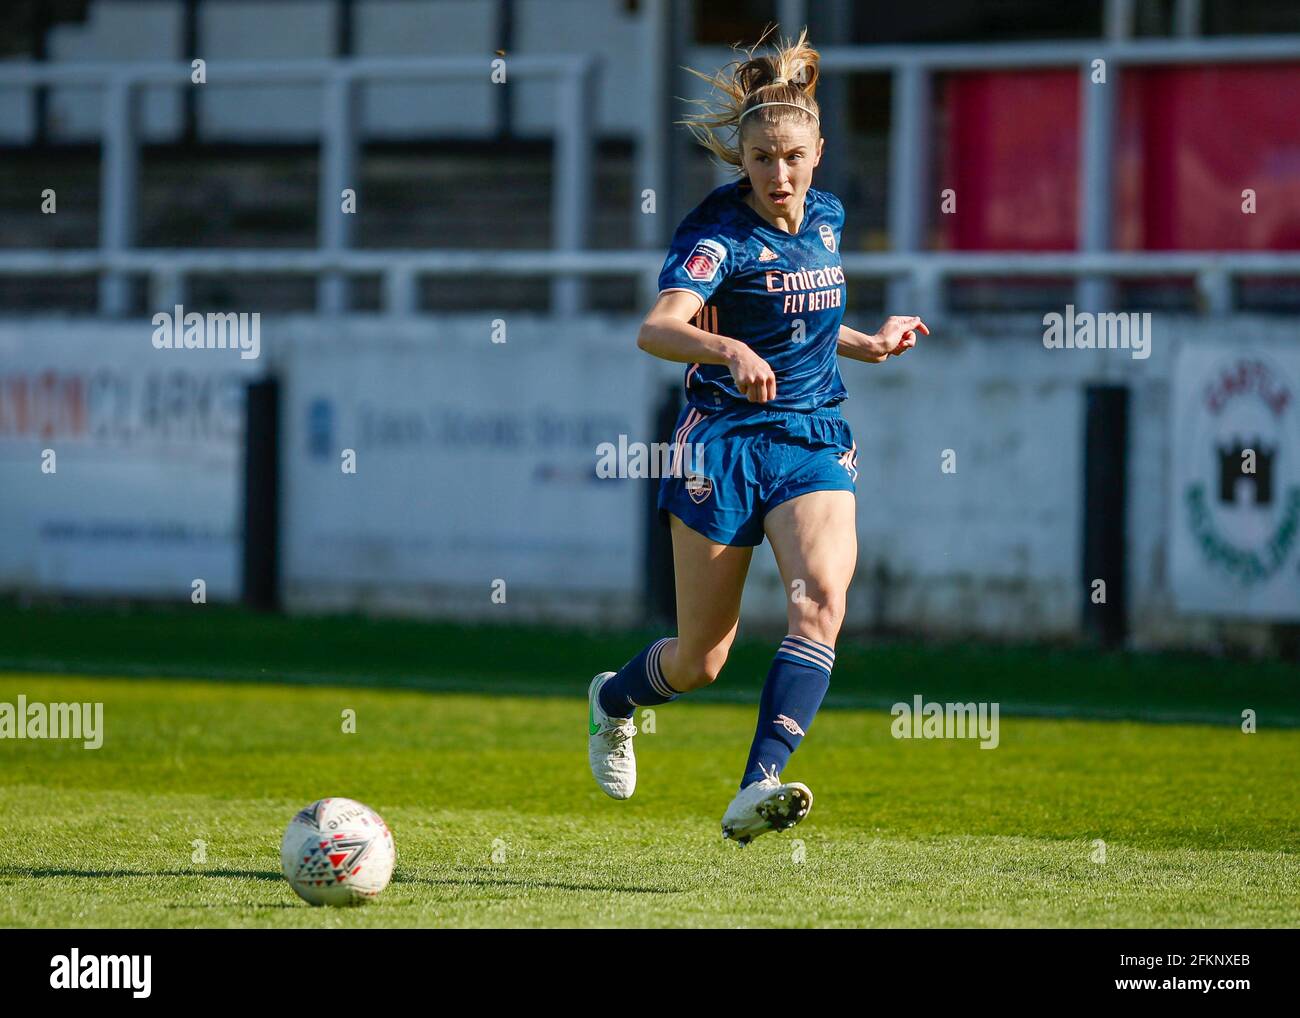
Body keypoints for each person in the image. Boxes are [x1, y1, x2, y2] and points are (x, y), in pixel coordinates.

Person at [588, 27, 927, 845]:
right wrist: (726, 347)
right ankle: (614, 700)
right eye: (764, 159)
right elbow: (657, 328)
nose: (779, 174)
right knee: (703, 658)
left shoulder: (830, 218)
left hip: (812, 437)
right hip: (723, 443)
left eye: (793, 157)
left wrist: (867, 342)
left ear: (817, 151)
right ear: (743, 157)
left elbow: (803, 314)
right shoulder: (717, 235)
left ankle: (758, 784)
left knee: (821, 602)